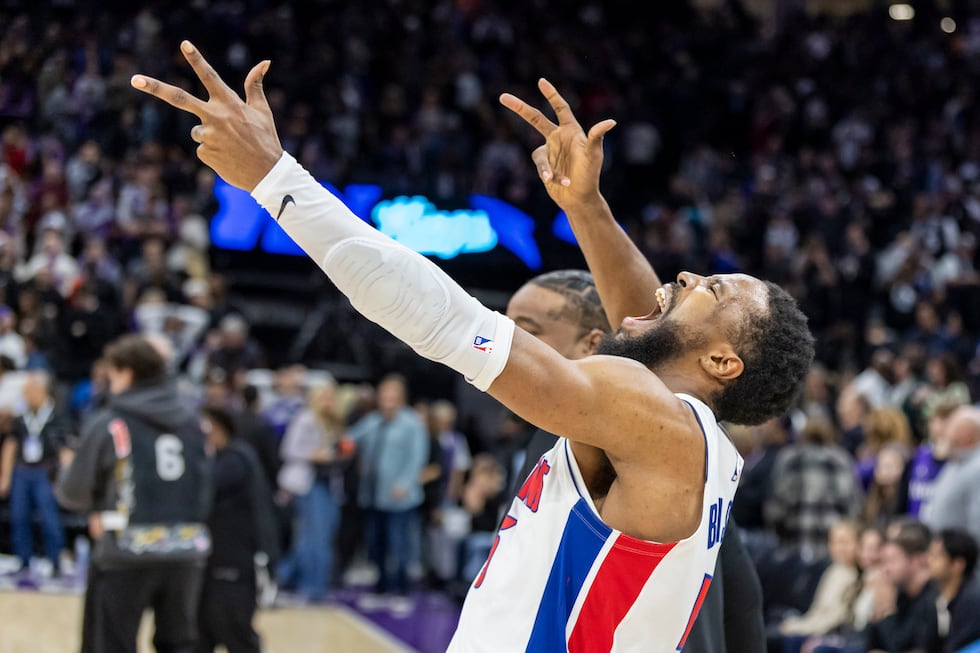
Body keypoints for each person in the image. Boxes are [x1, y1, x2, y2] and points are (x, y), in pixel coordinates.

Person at [132, 46, 814, 652]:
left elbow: (449, 320)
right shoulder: (691, 439)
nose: (688, 277)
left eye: (713, 288)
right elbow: (644, 317)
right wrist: (586, 207)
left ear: (724, 362)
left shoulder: (658, 421)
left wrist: (275, 180)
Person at [508, 269, 766, 653]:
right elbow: (744, 597)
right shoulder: (708, 453)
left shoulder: (642, 433)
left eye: (527, 328)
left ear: (592, 344)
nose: (516, 338)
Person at [56, 333, 211, 653]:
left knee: (110, 645)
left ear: (126, 373)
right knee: (179, 644)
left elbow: (72, 494)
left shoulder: (112, 423)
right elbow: (205, 485)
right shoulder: (192, 421)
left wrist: (71, 471)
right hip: (186, 550)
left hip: (126, 549)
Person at [197, 404, 277, 653]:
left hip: (235, 562)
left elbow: (204, 488)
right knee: (201, 631)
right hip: (215, 561)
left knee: (233, 628)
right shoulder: (223, 457)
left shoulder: (235, 459)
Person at [348, 373, 429, 615]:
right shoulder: (373, 421)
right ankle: (381, 589)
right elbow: (351, 437)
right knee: (376, 545)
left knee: (399, 545)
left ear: (401, 399)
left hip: (401, 499)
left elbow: (418, 457)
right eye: (384, 397)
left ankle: (403, 592)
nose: (387, 402)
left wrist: (405, 482)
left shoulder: (412, 424)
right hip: (374, 495)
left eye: (392, 397)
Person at [276, 378, 347, 602]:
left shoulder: (334, 422)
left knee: (322, 538)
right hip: (309, 484)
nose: (329, 400)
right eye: (324, 396)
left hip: (328, 484)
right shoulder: (306, 418)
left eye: (331, 396)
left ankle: (296, 582)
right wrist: (314, 454)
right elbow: (288, 450)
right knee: (311, 539)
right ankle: (308, 587)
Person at [0, 370, 70, 578]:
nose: (26, 396)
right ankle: (23, 561)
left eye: (29, 391)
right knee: (19, 516)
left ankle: (55, 561)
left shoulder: (57, 416)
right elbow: (10, 446)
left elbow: (65, 450)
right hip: (22, 470)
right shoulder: (21, 417)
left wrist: (65, 479)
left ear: (41, 391)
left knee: (49, 517)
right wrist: (5, 476)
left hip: (45, 471)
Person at [865, 519, 937, 653]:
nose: (884, 569)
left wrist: (887, 610)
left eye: (891, 561)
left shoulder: (931, 598)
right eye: (883, 562)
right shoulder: (900, 594)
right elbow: (871, 644)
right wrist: (878, 609)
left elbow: (899, 646)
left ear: (916, 561)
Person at [923, 528, 980, 653]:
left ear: (958, 564)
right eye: (929, 553)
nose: (928, 560)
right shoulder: (933, 597)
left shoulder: (973, 602)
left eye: (936, 555)